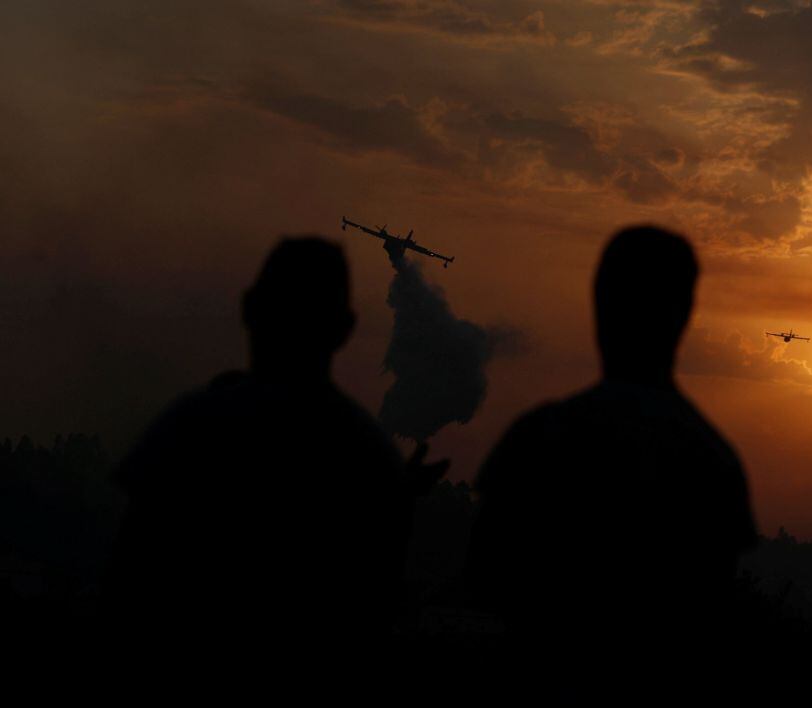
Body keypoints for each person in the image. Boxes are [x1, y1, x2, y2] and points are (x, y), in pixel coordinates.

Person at [107, 236, 446, 665]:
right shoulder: (365, 452)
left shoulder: (194, 425)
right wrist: (397, 496)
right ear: (344, 328)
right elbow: (378, 601)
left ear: (250, 309)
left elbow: (128, 575)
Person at [466, 225, 757, 698]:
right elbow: (712, 612)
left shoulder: (542, 437)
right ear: (684, 315)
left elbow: (483, 578)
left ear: (599, 306)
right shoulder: (712, 459)